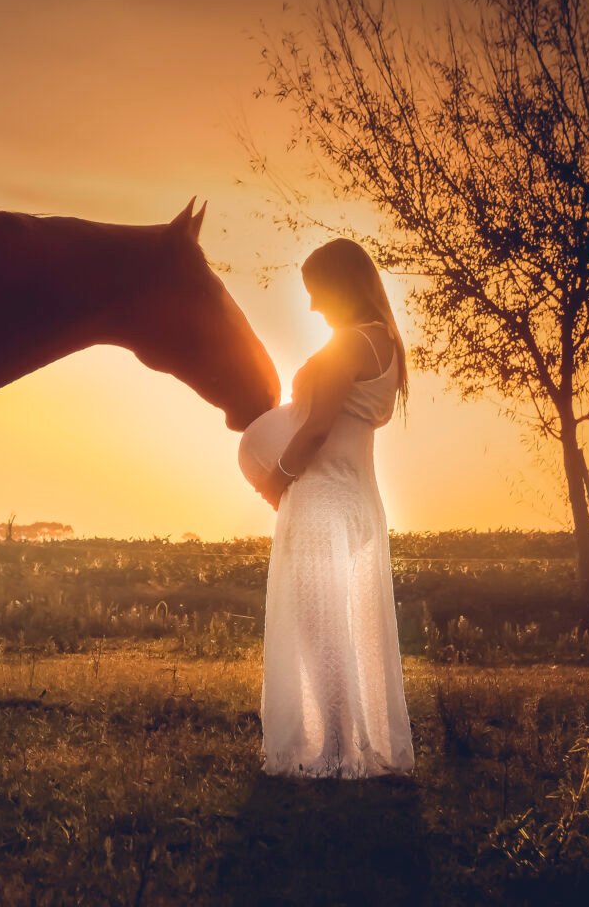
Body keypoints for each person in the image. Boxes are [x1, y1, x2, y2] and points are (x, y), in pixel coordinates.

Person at [238, 238, 415, 778]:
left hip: (322, 497)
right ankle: (346, 743)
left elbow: (316, 427)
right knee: (343, 626)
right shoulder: (385, 342)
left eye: (317, 293)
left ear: (341, 287)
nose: (312, 306)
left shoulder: (351, 343)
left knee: (320, 631)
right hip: (359, 496)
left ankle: (335, 750)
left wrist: (276, 480)